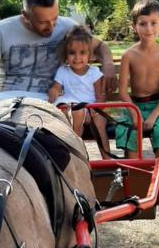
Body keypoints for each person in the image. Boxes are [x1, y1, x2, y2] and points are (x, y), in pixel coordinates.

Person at [0, 0, 116, 116]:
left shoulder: (67, 27)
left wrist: (108, 65)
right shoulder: (2, 29)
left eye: (55, 19)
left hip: (48, 100)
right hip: (6, 97)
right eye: (43, 22)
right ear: (25, 15)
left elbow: (100, 47)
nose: (51, 26)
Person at [116, 0, 159, 165]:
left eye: (153, 23)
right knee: (129, 131)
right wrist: (134, 114)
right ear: (134, 26)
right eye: (143, 24)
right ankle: (133, 174)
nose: (148, 28)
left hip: (158, 106)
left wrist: (153, 117)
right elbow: (123, 91)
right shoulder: (128, 55)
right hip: (134, 106)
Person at [47, 25, 111, 156]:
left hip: (92, 108)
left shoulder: (94, 73)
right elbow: (56, 87)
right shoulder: (63, 71)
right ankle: (76, 152)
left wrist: (95, 109)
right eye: (72, 53)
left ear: (90, 55)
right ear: (66, 54)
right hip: (72, 107)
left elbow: (101, 95)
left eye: (82, 53)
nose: (77, 58)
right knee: (74, 112)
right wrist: (53, 91)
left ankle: (108, 160)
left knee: (99, 124)